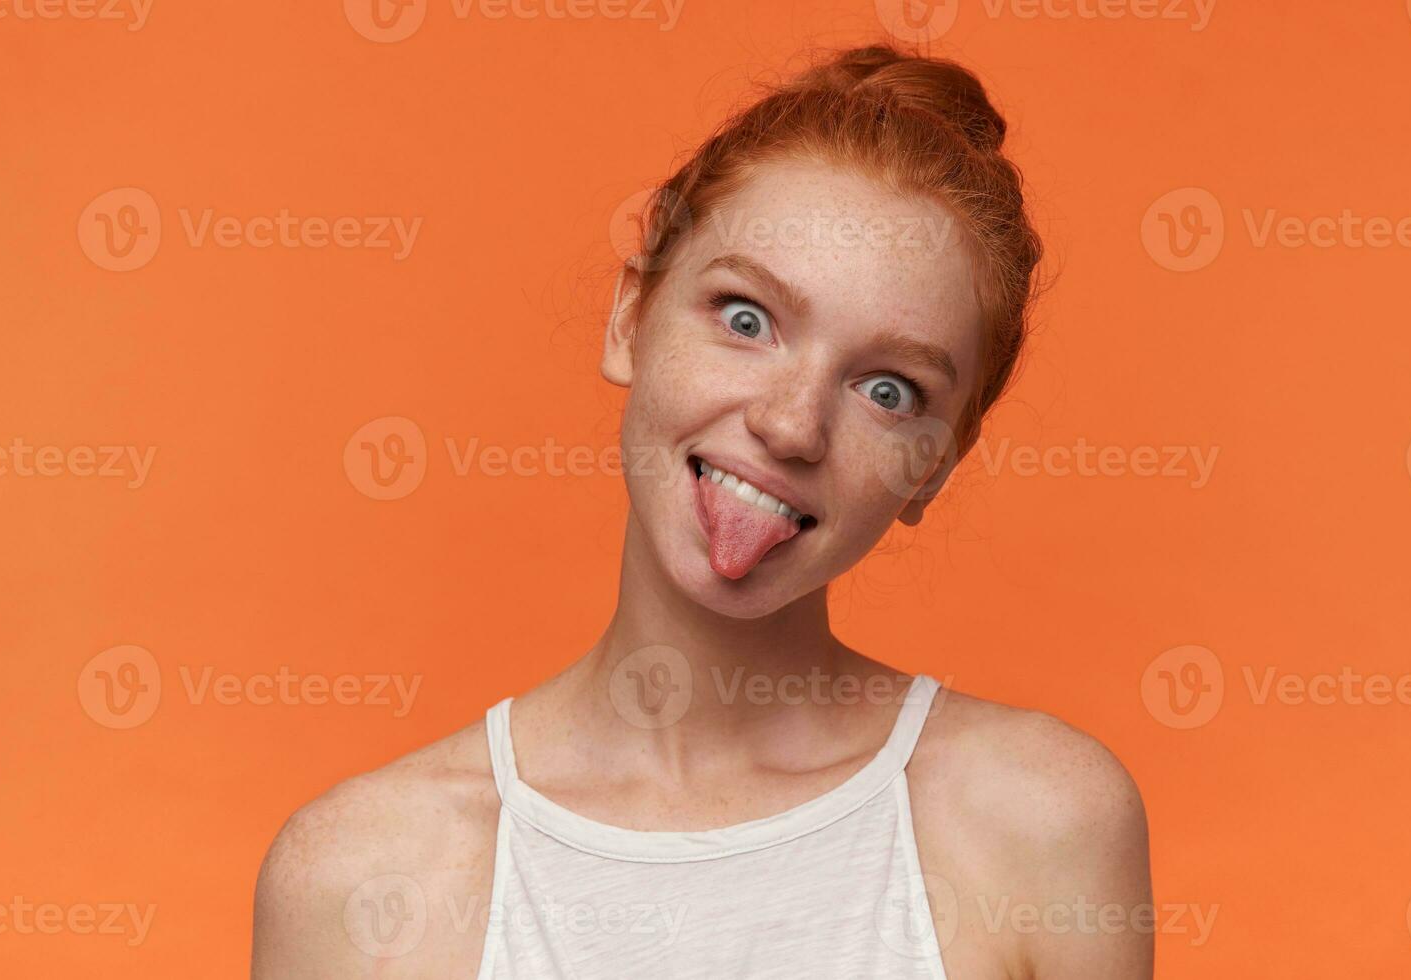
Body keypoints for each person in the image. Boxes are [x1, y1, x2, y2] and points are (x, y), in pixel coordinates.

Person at [251, 42, 1152, 979]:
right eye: (746, 318)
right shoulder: (358, 877)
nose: (791, 425)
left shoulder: (1042, 824)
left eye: (887, 389)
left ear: (935, 466)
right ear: (629, 318)